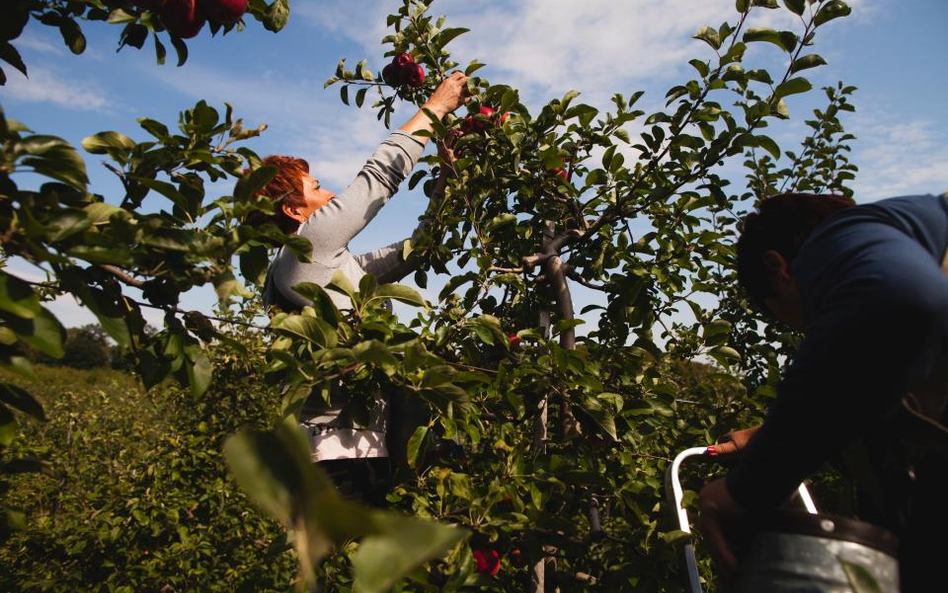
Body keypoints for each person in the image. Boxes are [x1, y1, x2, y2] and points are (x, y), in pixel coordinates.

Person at [697, 192, 948, 592]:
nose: (804, 329)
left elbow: (899, 297)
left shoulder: (839, 237)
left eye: (780, 313)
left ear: (777, 267)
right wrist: (775, 436)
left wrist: (746, 488)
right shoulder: (916, 236)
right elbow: (869, 376)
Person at [245, 71, 469, 505]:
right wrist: (435, 107)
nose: (328, 194)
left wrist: (445, 176)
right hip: (335, 465)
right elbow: (377, 179)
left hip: (361, 457)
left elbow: (414, 253)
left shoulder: (328, 270)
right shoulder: (303, 249)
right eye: (315, 187)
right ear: (293, 209)